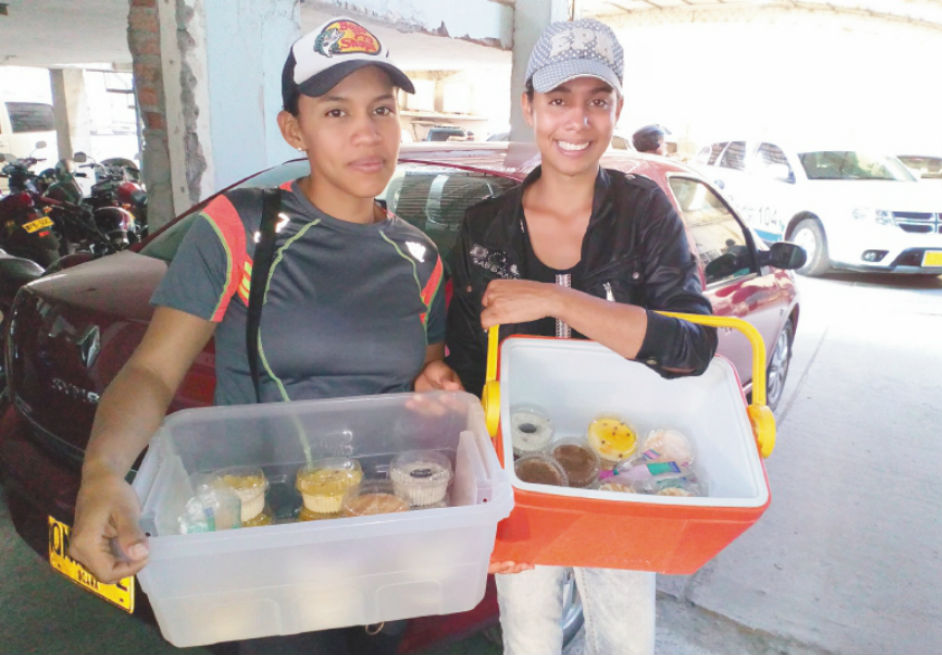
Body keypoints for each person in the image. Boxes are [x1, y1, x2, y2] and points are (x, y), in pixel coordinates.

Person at [69, 16, 457, 654]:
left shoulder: (418, 253)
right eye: (336, 112)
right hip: (265, 539)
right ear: (293, 129)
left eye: (382, 109)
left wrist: (435, 386)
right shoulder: (242, 230)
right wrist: (103, 472)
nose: (368, 132)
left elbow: (422, 380)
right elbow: (151, 373)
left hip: (380, 536)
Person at [440, 17, 718, 655]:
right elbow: (468, 357)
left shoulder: (644, 209)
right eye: (560, 100)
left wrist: (556, 297)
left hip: (622, 472)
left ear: (618, 109)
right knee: (529, 639)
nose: (578, 120)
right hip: (521, 474)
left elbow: (693, 347)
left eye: (599, 101)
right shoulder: (485, 224)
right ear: (529, 106)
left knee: (623, 641)